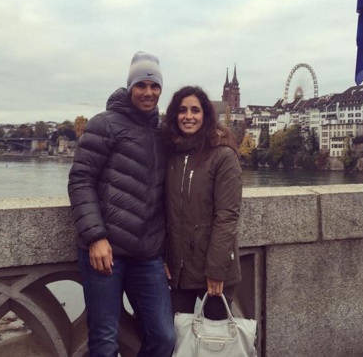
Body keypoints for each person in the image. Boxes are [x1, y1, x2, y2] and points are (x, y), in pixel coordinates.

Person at [68, 51, 175, 357]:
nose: (148, 92)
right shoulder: (104, 124)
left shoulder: (161, 132)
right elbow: (80, 180)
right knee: (104, 342)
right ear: (130, 87)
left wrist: (166, 252)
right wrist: (95, 237)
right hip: (107, 252)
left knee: (164, 337)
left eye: (154, 86)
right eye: (141, 85)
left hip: (148, 255)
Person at [162, 85, 242, 320]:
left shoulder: (223, 155)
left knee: (215, 336)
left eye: (195, 110)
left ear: (206, 115)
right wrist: (162, 258)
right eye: (182, 110)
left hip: (213, 271)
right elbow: (163, 213)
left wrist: (216, 270)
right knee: (175, 335)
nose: (188, 116)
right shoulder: (170, 153)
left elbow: (227, 216)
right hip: (178, 271)